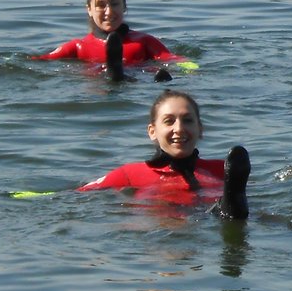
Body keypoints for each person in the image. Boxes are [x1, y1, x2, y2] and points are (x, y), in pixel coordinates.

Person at [78, 90, 250, 219]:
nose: (179, 128)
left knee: (225, 212)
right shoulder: (129, 175)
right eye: (169, 121)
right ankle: (231, 207)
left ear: (200, 130)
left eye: (187, 120)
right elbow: (78, 195)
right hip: (162, 224)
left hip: (208, 221)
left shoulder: (224, 169)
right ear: (152, 131)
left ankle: (231, 204)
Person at [34, 0, 188, 74]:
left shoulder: (143, 41)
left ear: (124, 6)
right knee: (104, 75)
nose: (108, 12)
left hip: (137, 82)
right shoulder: (78, 46)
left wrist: (192, 68)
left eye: (114, 4)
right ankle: (114, 71)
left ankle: (118, 72)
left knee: (152, 74)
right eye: (101, 5)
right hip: (99, 86)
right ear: (89, 10)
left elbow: (171, 59)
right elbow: (42, 60)